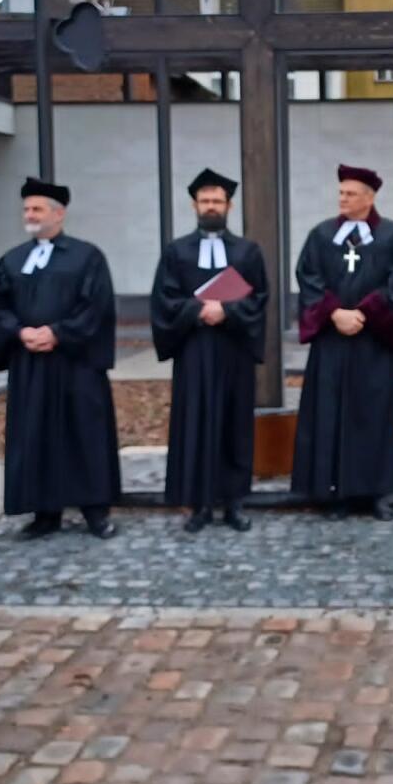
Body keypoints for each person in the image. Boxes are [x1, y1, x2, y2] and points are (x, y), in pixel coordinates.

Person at [0, 177, 120, 540]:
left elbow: (97, 308)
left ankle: (95, 512)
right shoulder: (12, 260)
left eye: (37, 209)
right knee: (36, 435)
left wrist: (58, 333)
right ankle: (44, 513)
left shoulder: (87, 257)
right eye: (26, 209)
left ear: (59, 213)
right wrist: (19, 332)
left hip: (76, 364)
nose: (30, 215)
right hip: (31, 366)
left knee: (84, 434)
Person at [291, 164, 393, 520]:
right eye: (341, 193)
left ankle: (375, 493)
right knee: (330, 413)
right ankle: (336, 492)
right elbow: (308, 276)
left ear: (369, 198)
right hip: (333, 341)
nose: (342, 199)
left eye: (350, 194)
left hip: (375, 343)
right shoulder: (322, 235)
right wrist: (334, 312)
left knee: (374, 415)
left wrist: (363, 313)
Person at [150, 168, 269, 534]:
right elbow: (164, 299)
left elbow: (259, 298)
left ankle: (234, 503)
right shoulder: (177, 251)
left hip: (234, 350)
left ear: (229, 205)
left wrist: (227, 310)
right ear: (194, 205)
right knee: (195, 425)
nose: (211, 206)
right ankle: (199, 505)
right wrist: (198, 310)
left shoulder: (247, 251)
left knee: (234, 425)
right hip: (194, 351)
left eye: (218, 201)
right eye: (205, 201)